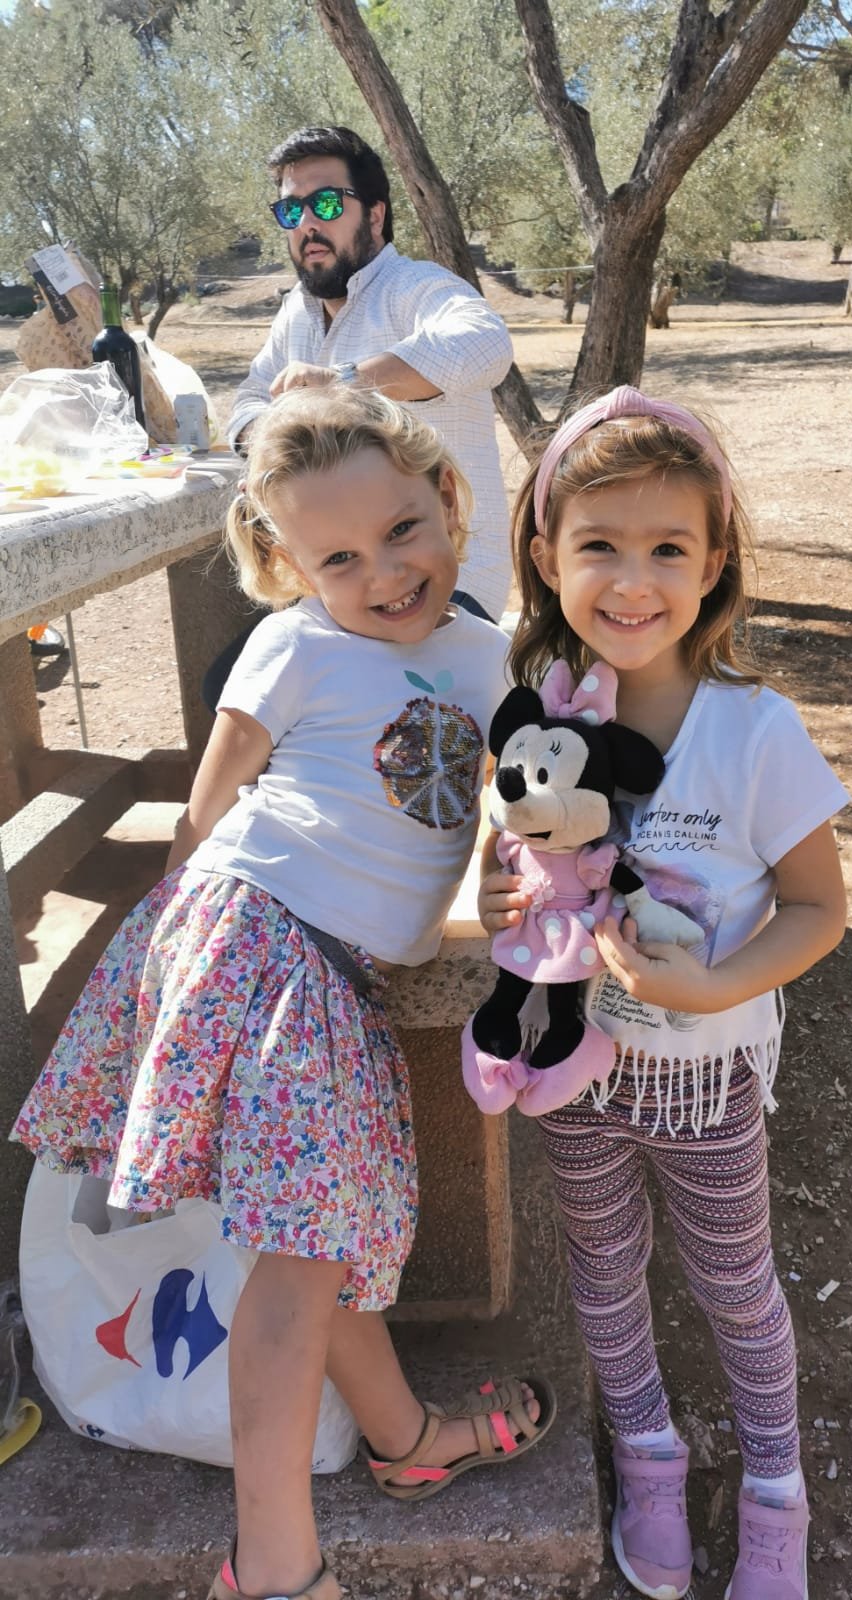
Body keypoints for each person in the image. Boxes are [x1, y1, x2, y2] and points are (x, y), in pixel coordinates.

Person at [12, 387, 554, 1600]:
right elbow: (209, 811)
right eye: (339, 558)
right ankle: (272, 1569)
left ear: (450, 498)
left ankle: (406, 1441)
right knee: (307, 1251)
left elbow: (524, 803)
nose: (385, 574)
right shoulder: (297, 644)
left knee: (311, 1231)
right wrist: (175, 973)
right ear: (291, 566)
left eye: (402, 530)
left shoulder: (491, 656)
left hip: (328, 969)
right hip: (264, 940)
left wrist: (511, 875)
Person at [476, 387, 849, 1600]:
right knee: (602, 1266)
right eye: (599, 544)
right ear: (547, 554)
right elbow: (507, 852)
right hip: (571, 1073)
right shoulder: (537, 713)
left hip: (705, 1083)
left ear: (716, 558)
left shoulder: (757, 732)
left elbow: (819, 908)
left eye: (668, 549)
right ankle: (649, 1455)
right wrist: (488, 897)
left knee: (736, 1286)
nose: (632, 581)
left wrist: (716, 985)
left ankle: (778, 1493)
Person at [227, 124, 515, 624]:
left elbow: (486, 344)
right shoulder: (298, 310)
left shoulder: (416, 287)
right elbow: (251, 397)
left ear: (375, 215)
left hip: (446, 581)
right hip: (341, 585)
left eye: (326, 204)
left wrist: (341, 385)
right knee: (236, 665)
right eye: (291, 211)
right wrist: (268, 442)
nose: (307, 224)